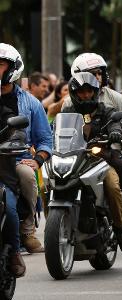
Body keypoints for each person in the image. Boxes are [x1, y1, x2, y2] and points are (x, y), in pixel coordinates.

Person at [61, 72, 122, 253]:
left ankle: (118, 229)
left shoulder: (106, 110)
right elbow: (57, 130)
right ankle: (56, 224)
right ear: (74, 93)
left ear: (95, 92)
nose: (85, 95)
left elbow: (116, 122)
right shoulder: (68, 112)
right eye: (81, 92)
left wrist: (115, 131)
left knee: (112, 185)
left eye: (89, 92)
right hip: (74, 161)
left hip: (101, 160)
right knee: (51, 180)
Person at [0, 44, 53, 254]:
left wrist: (37, 160)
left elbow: (45, 139)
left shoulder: (31, 103)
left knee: (28, 176)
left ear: (13, 68)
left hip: (17, 159)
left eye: (1, 65)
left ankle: (28, 229)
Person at [0, 43, 33, 276]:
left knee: (8, 208)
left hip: (2, 174)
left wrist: (15, 140)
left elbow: (16, 127)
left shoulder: (10, 106)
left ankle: (13, 252)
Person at [64, 53, 122, 122]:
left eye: (100, 73)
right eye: (92, 73)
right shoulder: (69, 102)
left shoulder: (116, 98)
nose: (98, 77)